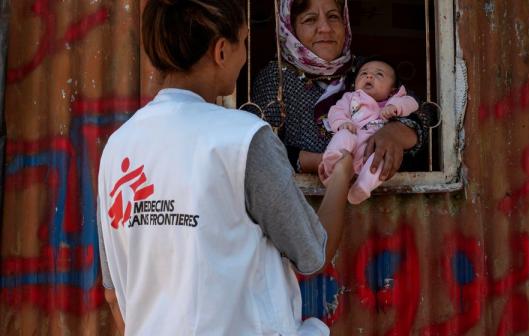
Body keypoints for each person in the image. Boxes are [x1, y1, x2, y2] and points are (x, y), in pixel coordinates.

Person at [96, 0, 353, 335]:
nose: (246, 56)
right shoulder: (244, 139)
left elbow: (114, 295)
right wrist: (343, 173)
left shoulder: (118, 147)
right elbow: (313, 254)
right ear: (220, 52)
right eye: (243, 43)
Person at [251, 0, 433, 180]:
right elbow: (260, 152)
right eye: (310, 19)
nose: (325, 28)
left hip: (377, 193)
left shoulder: (364, 70)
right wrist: (327, 163)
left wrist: (394, 133)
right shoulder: (277, 78)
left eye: (333, 16)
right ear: (290, 28)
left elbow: (425, 112)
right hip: (307, 201)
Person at [320, 57, 419, 204]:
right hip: (352, 141)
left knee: (382, 158)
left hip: (371, 150)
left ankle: (363, 187)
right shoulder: (350, 97)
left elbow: (412, 103)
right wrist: (343, 122)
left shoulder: (394, 100)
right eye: (363, 73)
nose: (369, 76)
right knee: (343, 136)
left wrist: (395, 108)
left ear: (392, 90)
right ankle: (332, 162)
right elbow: (336, 111)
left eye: (379, 74)